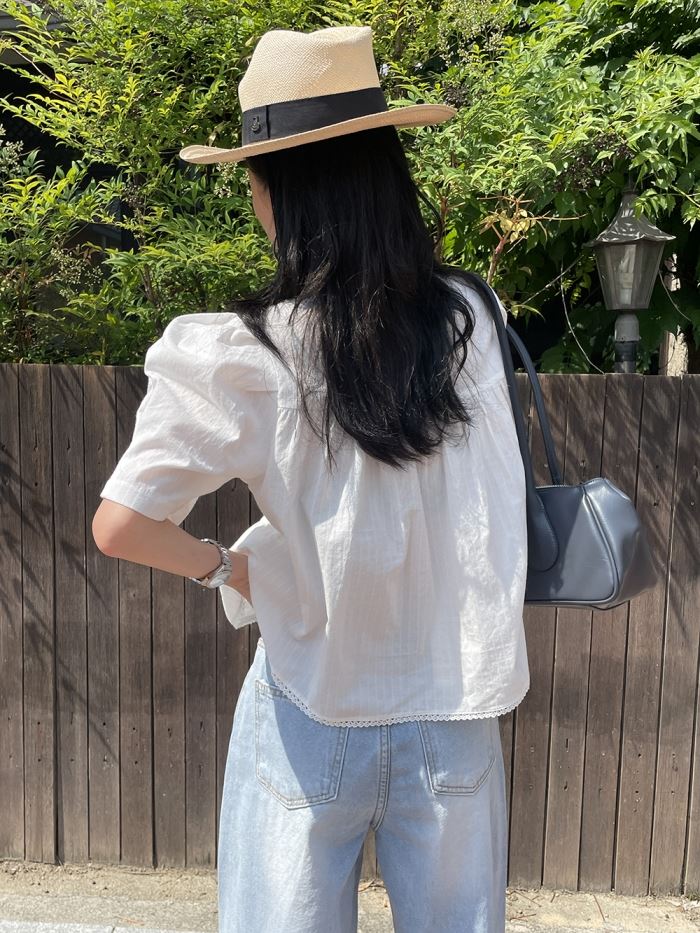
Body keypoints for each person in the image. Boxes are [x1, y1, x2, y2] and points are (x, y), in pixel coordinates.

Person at [92, 24, 529, 933]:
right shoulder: (468, 321)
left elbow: (120, 525)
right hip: (456, 708)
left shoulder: (246, 354)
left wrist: (227, 566)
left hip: (311, 701)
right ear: (386, 178)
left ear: (276, 193)